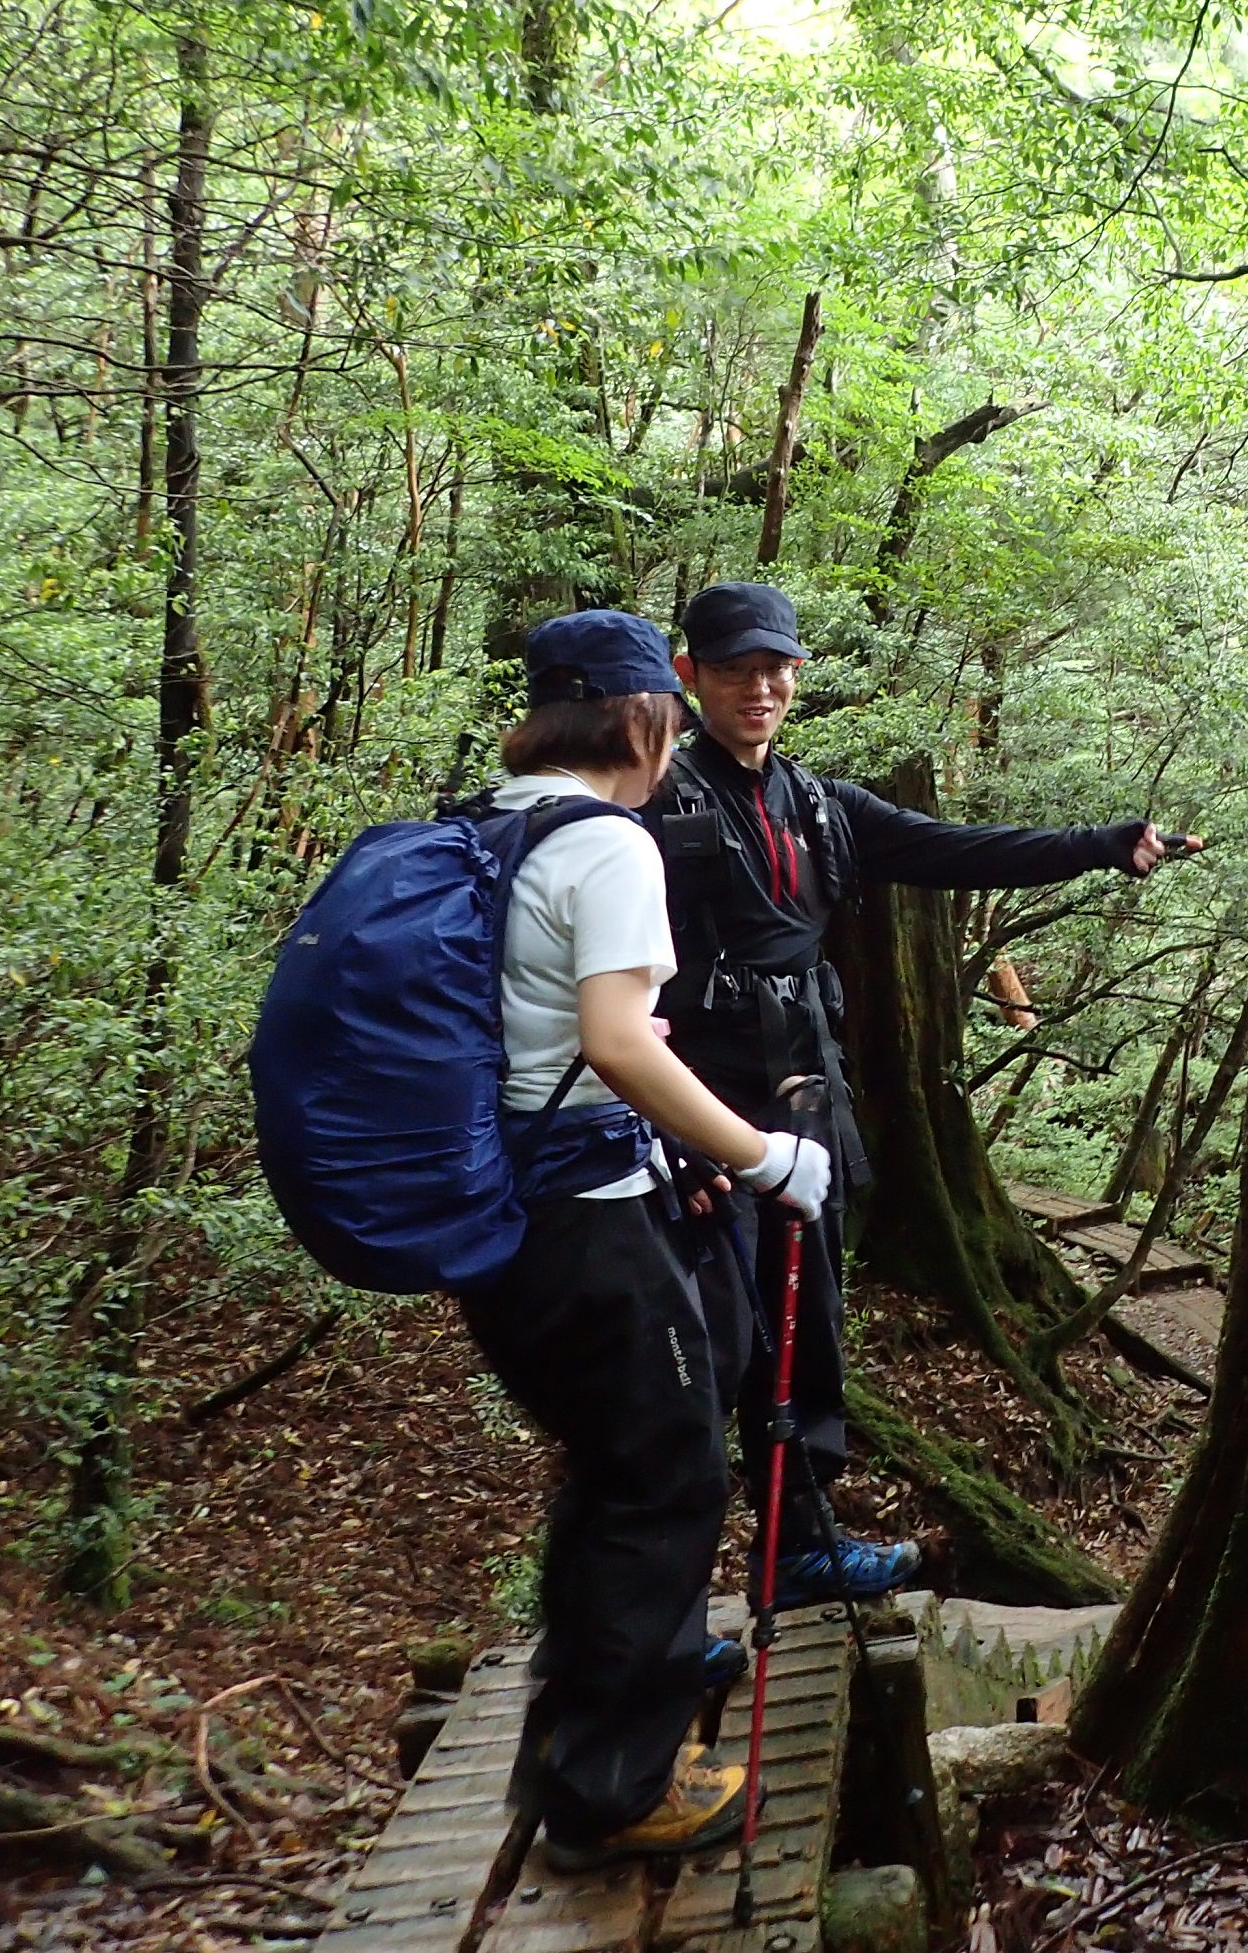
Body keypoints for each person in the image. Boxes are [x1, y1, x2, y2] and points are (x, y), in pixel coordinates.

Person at [649, 580, 1200, 1602]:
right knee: (711, 1345)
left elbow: (958, 852)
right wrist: (669, 1140)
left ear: (797, 678)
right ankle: (664, 1589)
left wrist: (1103, 844)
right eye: (734, 671)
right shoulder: (655, 806)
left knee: (807, 1323)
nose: (759, 688)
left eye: (776, 669)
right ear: (690, 680)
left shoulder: (820, 806)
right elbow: (616, 999)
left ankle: (797, 1539)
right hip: (702, 1124)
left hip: (807, 1103)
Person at [453, 609, 834, 1872]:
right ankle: (613, 1789)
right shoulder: (607, 843)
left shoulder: (494, 819)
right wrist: (763, 1155)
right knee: (664, 1470)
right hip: (585, 1226)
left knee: (633, 1451)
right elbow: (616, 1041)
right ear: (643, 718)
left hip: (512, 1213)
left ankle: (597, 1707)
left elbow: (559, 1034)